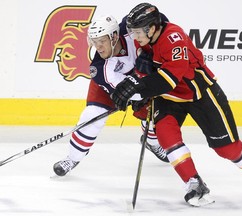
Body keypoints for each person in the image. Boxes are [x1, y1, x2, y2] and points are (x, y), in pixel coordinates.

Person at [111, 3, 242, 207]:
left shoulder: (173, 38)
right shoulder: (144, 39)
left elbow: (169, 79)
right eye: (132, 31)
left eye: (138, 31)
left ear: (152, 27)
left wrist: (138, 88)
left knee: (228, 149)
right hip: (169, 97)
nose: (134, 36)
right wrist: (137, 83)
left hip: (200, 93)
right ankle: (194, 183)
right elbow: (148, 68)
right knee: (166, 135)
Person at [53, 14, 170, 177]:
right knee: (91, 117)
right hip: (111, 87)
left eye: (102, 41)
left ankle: (151, 143)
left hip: (141, 80)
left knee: (152, 117)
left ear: (114, 36)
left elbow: (157, 17)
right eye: (95, 42)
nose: (98, 47)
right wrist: (138, 95)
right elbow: (122, 92)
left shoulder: (128, 29)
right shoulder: (100, 68)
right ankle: (73, 158)